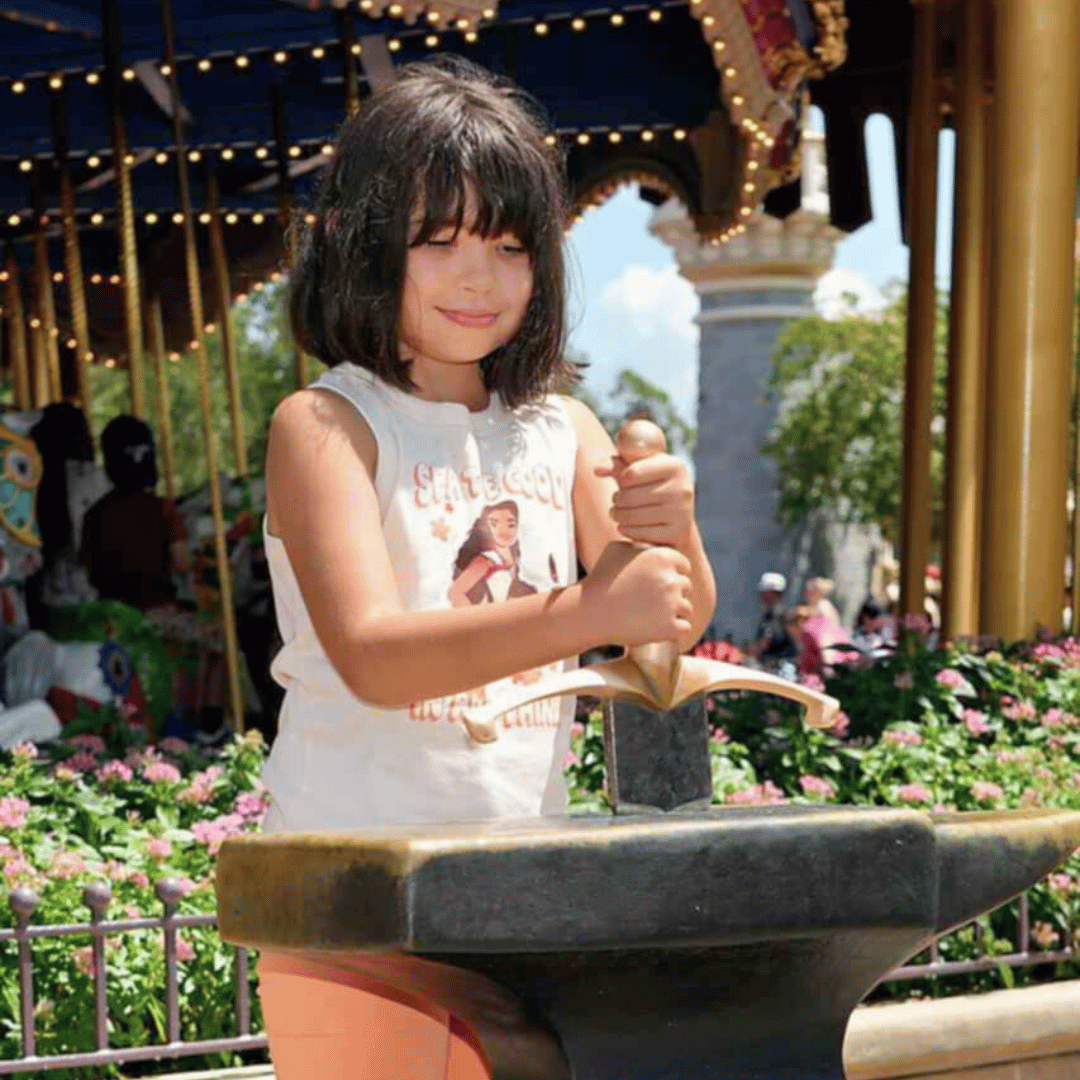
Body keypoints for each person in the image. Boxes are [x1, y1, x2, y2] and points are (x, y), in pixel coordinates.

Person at [256, 57, 716, 1080]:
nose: (480, 277)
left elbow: (666, 626)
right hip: (350, 894)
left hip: (518, 882)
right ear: (358, 243)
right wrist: (584, 606)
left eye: (510, 248)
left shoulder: (561, 428)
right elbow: (374, 658)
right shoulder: (328, 425)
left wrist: (673, 526)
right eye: (438, 241)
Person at [79, 415, 189, 611]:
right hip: (159, 610)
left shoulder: (95, 514)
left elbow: (89, 570)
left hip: (113, 615)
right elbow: (181, 562)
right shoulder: (163, 509)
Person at [749, 571, 797, 676]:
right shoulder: (776, 613)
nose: (762, 595)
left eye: (765, 591)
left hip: (778, 668)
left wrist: (749, 652)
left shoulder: (776, 614)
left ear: (774, 593)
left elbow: (767, 642)